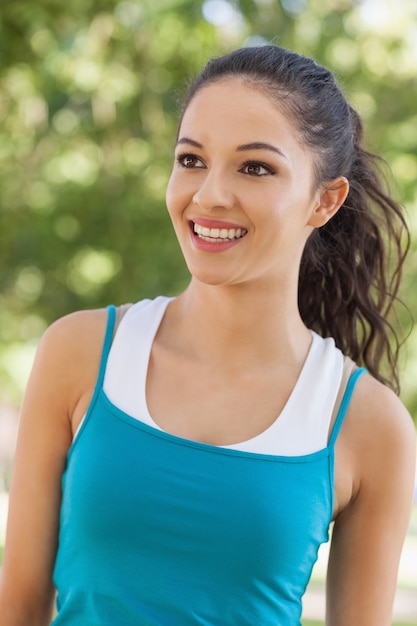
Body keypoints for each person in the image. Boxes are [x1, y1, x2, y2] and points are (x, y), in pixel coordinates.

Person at [0, 44, 415, 626]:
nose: (209, 195)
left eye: (255, 167)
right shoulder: (79, 353)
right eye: (191, 159)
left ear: (325, 200)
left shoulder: (370, 425)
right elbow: (16, 610)